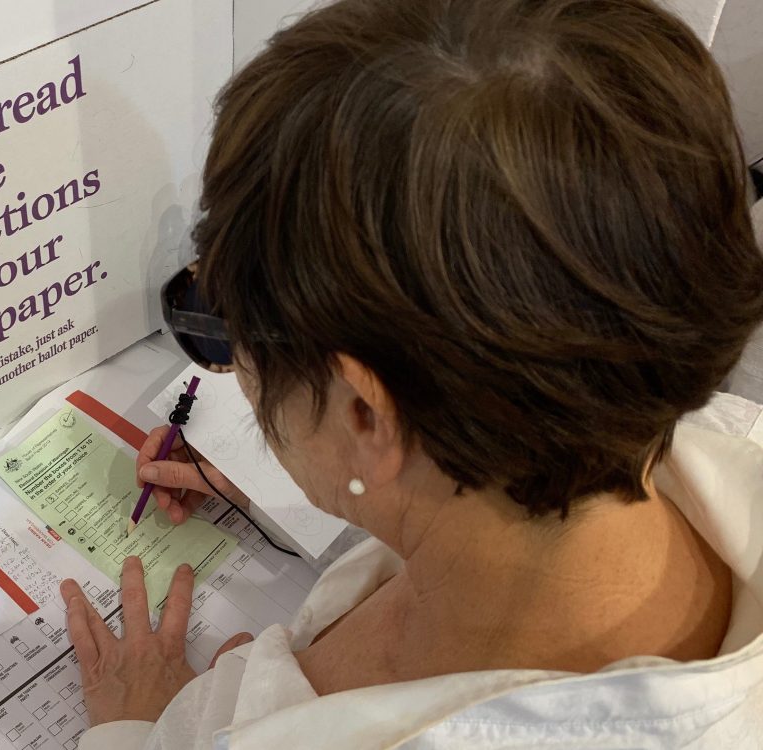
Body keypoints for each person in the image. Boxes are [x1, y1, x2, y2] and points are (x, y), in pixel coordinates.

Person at [59, 0, 763, 746]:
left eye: (225, 331)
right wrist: (339, 481)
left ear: (366, 415)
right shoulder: (688, 433)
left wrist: (144, 730)